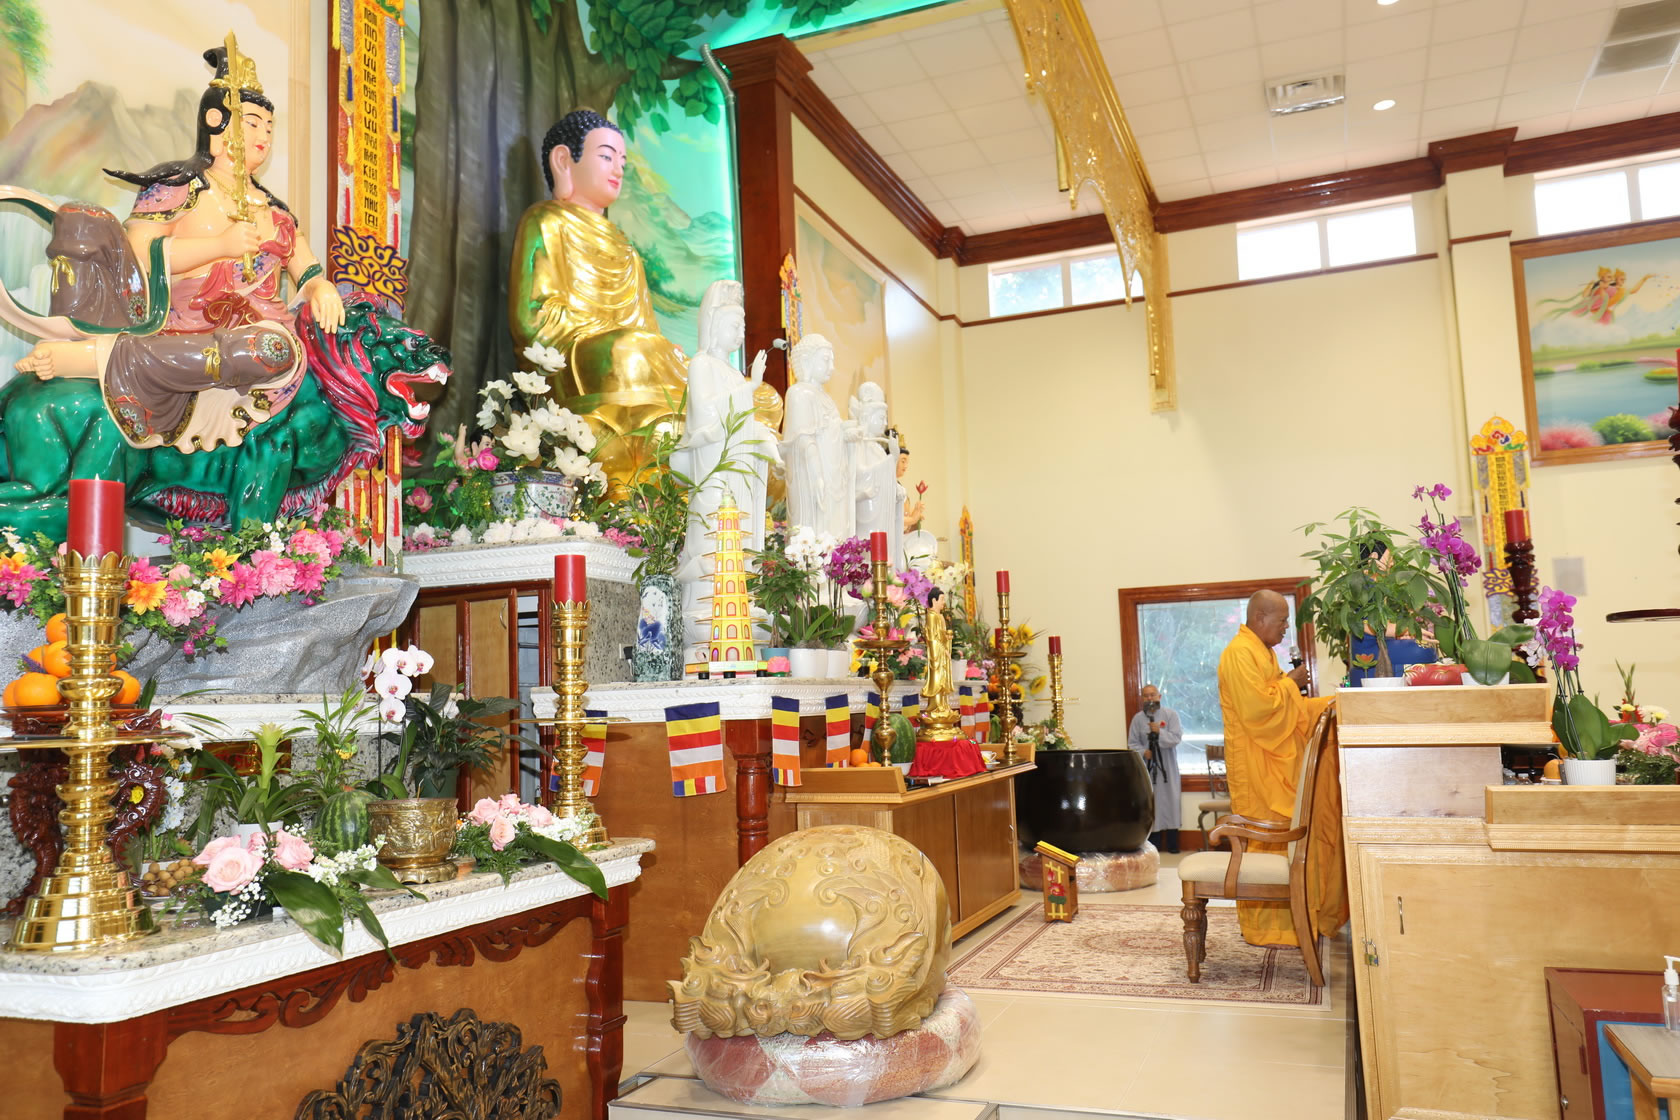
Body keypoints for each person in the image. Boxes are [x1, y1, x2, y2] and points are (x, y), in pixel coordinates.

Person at [12, 43, 341, 452]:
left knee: (274, 349)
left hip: (259, 336)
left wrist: (321, 287)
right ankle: (100, 357)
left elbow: (306, 270)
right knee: (262, 349)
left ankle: (101, 357)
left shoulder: (276, 212)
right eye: (253, 123)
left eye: (270, 128)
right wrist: (218, 246)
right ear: (216, 122)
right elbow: (140, 256)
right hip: (181, 330)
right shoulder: (178, 187)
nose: (264, 137)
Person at [507, 109, 688, 489]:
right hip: (578, 361)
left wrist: (665, 351)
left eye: (622, 161)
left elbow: (646, 330)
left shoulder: (625, 246)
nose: (618, 169)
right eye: (606, 156)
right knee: (628, 350)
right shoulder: (547, 221)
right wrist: (619, 340)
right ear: (563, 161)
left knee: (742, 390)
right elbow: (532, 319)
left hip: (633, 360)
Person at [1216, 589, 1339, 948]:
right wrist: (1291, 683)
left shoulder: (1262, 652)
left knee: (1290, 842)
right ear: (1260, 618)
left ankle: (1295, 920)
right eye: (1283, 620)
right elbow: (1259, 712)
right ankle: (1265, 928)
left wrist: (1330, 704)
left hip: (1273, 761)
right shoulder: (1240, 653)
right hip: (1256, 765)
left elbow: (1285, 708)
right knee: (1264, 842)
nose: (1287, 627)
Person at [781, 334, 851, 539]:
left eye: (832, 361)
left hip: (832, 476)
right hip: (810, 474)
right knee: (814, 527)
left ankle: (834, 557)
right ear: (806, 361)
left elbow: (831, 430)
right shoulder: (799, 393)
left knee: (833, 530)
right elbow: (803, 438)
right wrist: (816, 473)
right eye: (825, 360)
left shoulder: (826, 398)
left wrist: (846, 433)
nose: (832, 367)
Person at [1127, 684, 1182, 853]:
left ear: (1159, 697)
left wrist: (1160, 732)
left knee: (1171, 803)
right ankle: (1154, 845)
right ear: (1142, 698)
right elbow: (1132, 744)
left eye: (1152, 695)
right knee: (1152, 804)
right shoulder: (1137, 719)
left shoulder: (1171, 715)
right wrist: (1145, 752)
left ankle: (1173, 845)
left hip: (1168, 767)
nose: (1149, 698)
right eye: (1146, 695)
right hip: (1148, 768)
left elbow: (1176, 738)